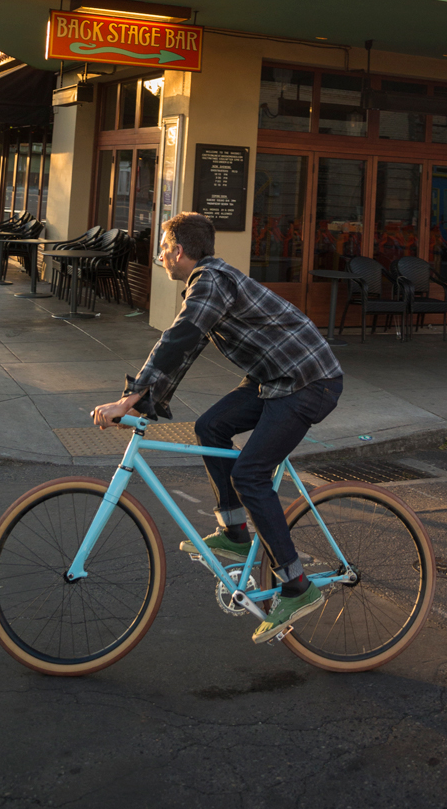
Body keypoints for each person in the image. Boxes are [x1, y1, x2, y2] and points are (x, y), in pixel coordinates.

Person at [92, 211, 343, 644]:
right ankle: (235, 533)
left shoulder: (210, 280)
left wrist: (128, 398)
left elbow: (180, 335)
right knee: (210, 427)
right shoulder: (208, 282)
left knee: (250, 474)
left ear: (179, 250)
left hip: (308, 381)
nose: (159, 256)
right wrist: (146, 404)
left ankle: (296, 586)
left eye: (163, 248)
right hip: (276, 377)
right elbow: (185, 353)